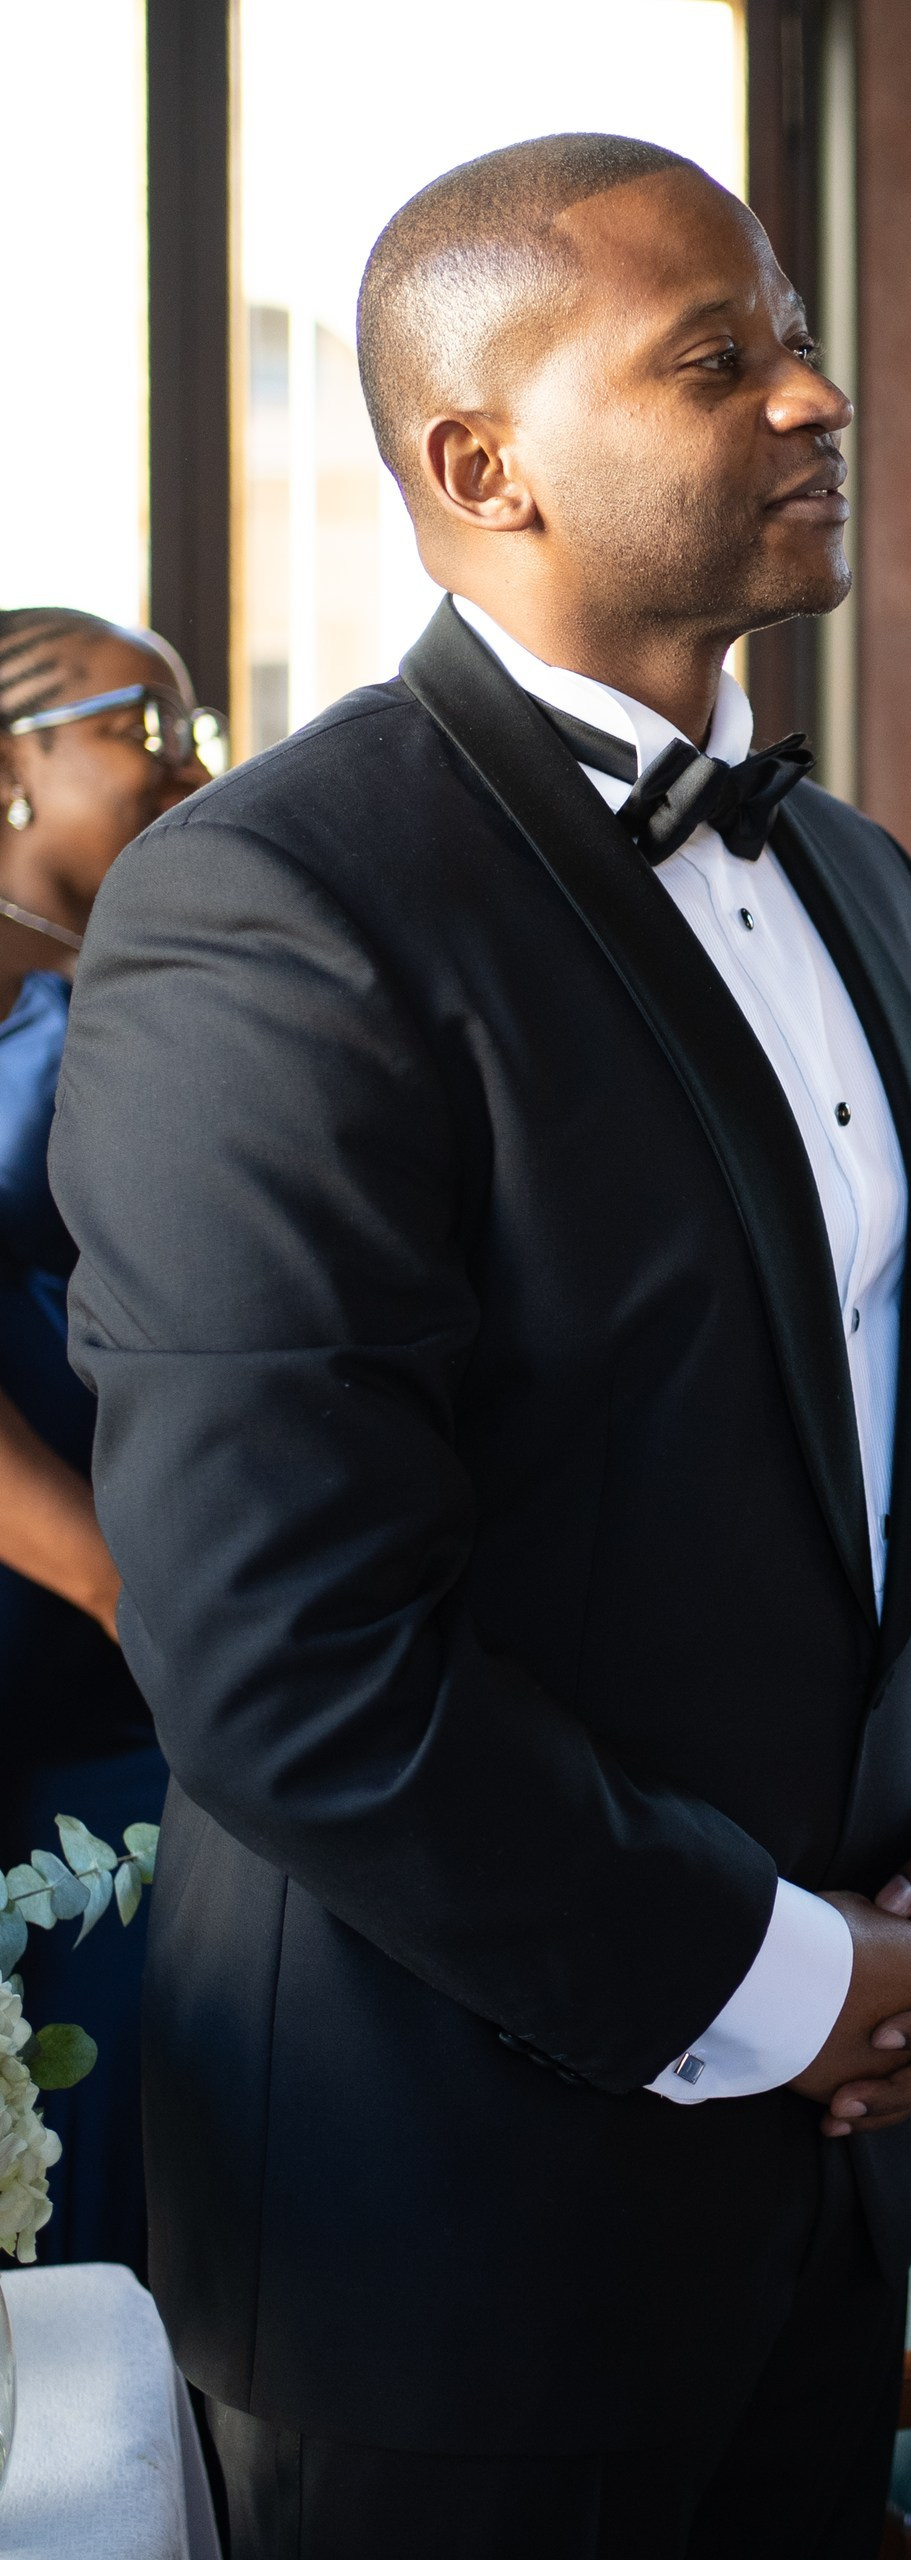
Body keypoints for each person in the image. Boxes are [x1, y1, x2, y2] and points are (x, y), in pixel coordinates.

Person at [50, 134, 911, 2558]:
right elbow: (283, 1651)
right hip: (447, 2215)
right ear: (480, 463)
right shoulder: (272, 902)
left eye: (797, 336)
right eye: (716, 359)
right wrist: (778, 1968)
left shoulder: (860, 880)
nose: (818, 394)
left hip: (829, 2187)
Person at [0, 606, 213, 2268]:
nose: (191, 765)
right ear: (9, 768)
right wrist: (135, 1601)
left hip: (154, 1696)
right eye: (145, 723)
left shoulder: (118, 997)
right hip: (74, 1689)